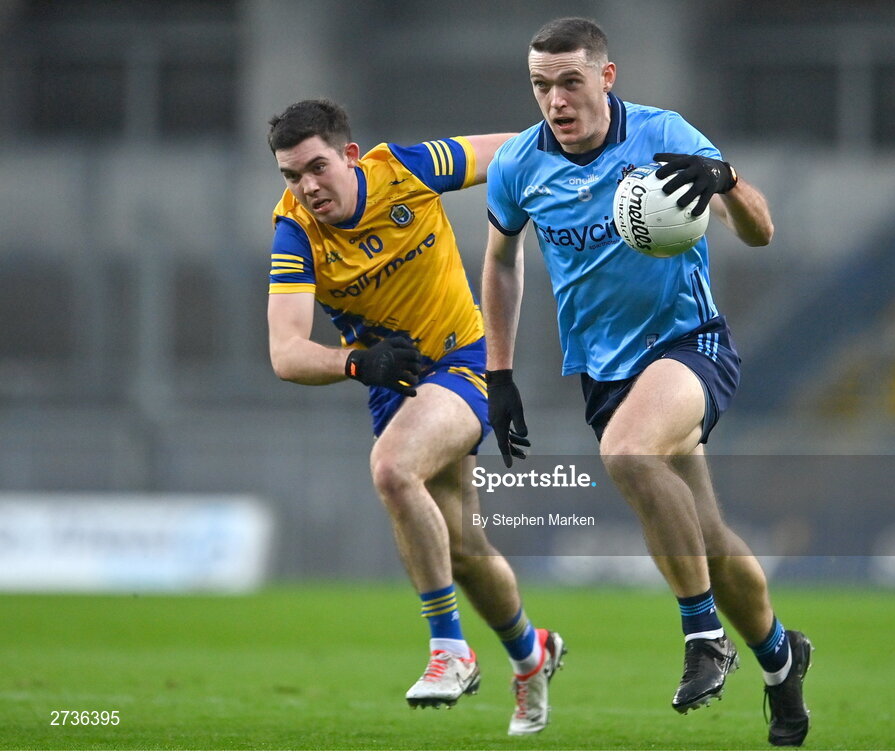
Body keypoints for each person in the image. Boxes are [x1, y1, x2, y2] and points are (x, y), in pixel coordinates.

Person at [481, 18, 812, 747]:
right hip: (606, 371)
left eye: (570, 81)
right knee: (713, 539)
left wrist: (726, 179)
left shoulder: (664, 135)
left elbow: (758, 230)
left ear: (606, 76)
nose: (555, 100)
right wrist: (497, 371)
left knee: (629, 452)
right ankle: (782, 660)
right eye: (541, 85)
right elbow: (502, 261)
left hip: (691, 344)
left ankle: (703, 637)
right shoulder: (517, 165)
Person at [264, 98, 565, 736]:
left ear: (349, 155)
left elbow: (516, 149)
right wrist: (355, 363)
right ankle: (531, 655)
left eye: (316, 167)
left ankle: (449, 648)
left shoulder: (408, 169)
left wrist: (602, 162)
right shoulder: (294, 231)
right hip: (393, 383)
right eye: (292, 175)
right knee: (463, 549)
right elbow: (286, 353)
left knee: (394, 469)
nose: (307, 187)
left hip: (466, 360)